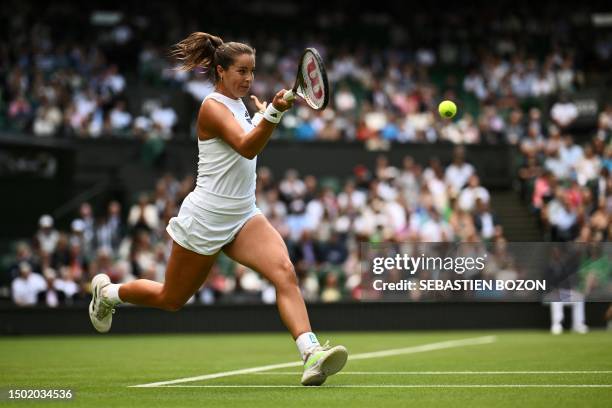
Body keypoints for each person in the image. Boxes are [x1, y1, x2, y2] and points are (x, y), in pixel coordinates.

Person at [88, 32, 347, 386]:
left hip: (243, 215)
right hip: (205, 218)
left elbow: (245, 143)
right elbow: (245, 148)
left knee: (284, 271)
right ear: (221, 72)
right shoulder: (211, 107)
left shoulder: (241, 106)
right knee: (171, 298)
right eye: (241, 71)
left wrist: (261, 116)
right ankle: (108, 294)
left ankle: (311, 354)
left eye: (252, 71)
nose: (248, 78)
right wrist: (272, 113)